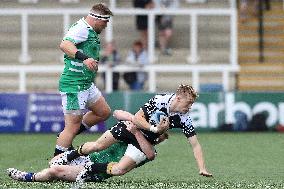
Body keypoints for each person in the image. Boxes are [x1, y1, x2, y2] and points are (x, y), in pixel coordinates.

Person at [56, 84, 213, 180]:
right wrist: (155, 129)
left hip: (143, 141)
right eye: (189, 103)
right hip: (132, 127)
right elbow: (138, 118)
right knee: (97, 146)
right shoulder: (159, 100)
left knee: (122, 168)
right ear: (178, 98)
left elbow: (195, 145)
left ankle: (91, 168)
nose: (190, 107)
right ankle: (69, 155)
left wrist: (202, 167)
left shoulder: (184, 118)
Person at [7, 122, 169, 182]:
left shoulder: (146, 148)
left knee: (54, 169)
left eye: (160, 138)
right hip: (88, 157)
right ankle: (69, 162)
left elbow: (150, 155)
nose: (157, 138)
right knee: (53, 162)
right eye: (157, 134)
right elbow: (118, 114)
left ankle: (27, 176)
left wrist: (137, 133)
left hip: (97, 171)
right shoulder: (133, 131)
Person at [55, 3, 113, 156]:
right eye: (105, 22)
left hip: (86, 84)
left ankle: (65, 136)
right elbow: (64, 44)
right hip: (74, 84)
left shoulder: (88, 29)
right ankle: (56, 162)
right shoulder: (82, 29)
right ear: (96, 19)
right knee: (71, 128)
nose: (106, 25)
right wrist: (85, 58)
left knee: (103, 112)